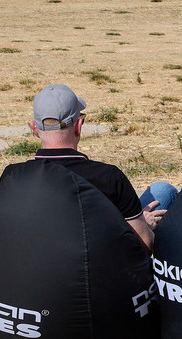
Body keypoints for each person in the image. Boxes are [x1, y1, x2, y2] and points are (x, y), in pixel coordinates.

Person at [27, 84, 172, 250]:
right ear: (78, 126)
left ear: (34, 129)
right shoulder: (109, 177)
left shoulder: (14, 179)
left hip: (40, 257)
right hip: (105, 262)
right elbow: (145, 245)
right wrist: (143, 226)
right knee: (163, 190)